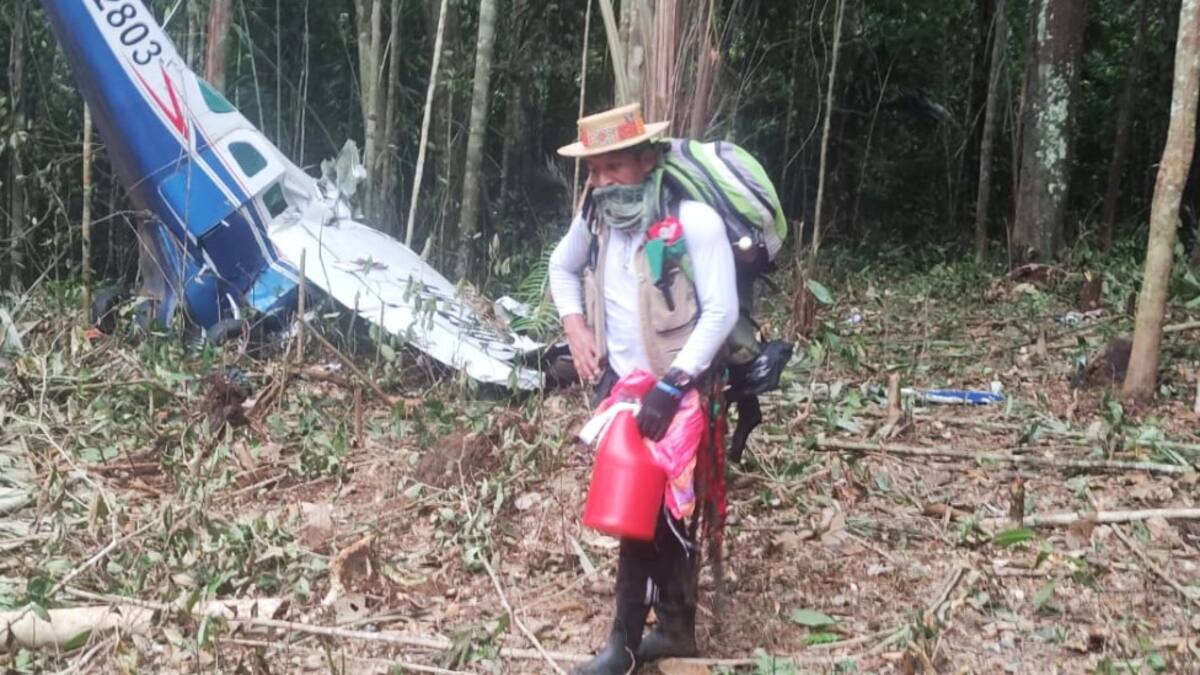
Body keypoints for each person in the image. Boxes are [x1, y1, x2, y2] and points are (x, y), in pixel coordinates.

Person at [549, 103, 738, 674]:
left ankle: (629, 643)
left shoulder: (694, 221)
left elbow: (721, 311)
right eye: (593, 170)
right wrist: (575, 324)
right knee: (644, 509)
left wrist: (674, 384)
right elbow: (561, 268)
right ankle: (666, 630)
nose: (602, 181)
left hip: (682, 392)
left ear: (648, 160)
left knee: (664, 513)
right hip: (625, 391)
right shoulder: (595, 220)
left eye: (614, 167)